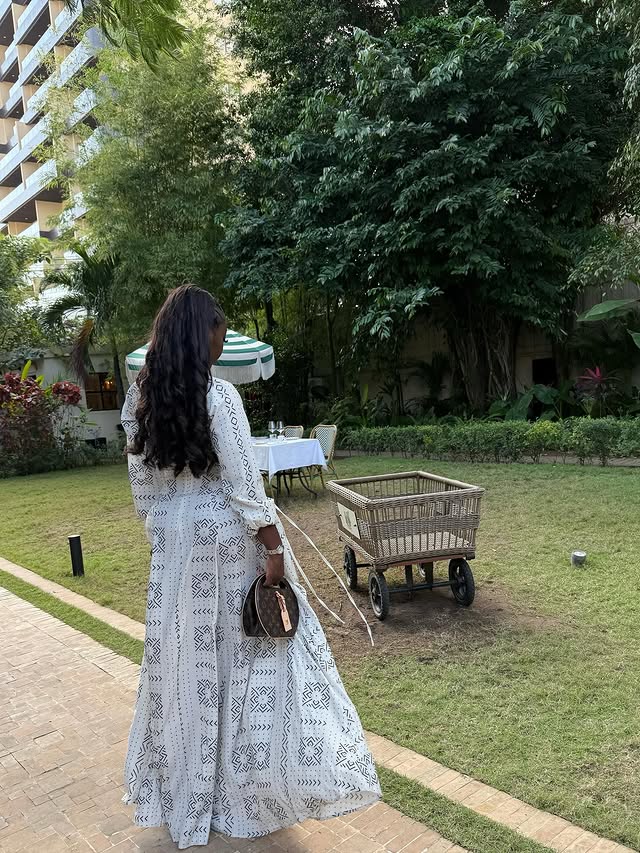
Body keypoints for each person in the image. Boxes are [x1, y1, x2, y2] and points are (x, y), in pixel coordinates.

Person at [121, 284, 380, 849]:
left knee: (185, 670)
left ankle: (186, 790)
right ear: (202, 333)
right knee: (248, 664)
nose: (220, 338)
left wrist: (169, 538)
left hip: (174, 551)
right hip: (227, 543)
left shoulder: (140, 400)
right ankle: (248, 791)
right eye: (217, 328)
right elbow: (244, 487)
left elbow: (143, 493)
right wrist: (274, 550)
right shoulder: (220, 398)